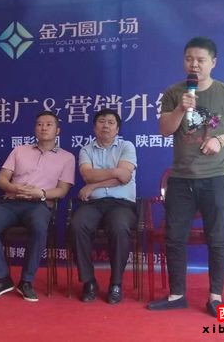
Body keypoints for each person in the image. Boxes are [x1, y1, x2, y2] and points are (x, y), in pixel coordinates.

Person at [147, 37, 224, 317]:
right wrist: (181, 108)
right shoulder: (174, 92)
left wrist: (221, 139)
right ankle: (176, 295)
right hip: (181, 178)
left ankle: (215, 297)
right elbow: (165, 130)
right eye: (189, 59)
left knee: (217, 237)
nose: (194, 64)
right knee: (174, 237)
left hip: (215, 177)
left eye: (200, 59)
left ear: (213, 62)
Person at [0, 111, 75, 302]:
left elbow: (62, 190)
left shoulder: (67, 157)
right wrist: (13, 188)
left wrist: (41, 193)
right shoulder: (19, 150)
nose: (43, 128)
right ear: (34, 129)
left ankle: (26, 281)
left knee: (39, 227)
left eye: (48, 124)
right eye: (39, 124)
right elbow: (1, 179)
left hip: (39, 205)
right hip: (11, 201)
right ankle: (3, 278)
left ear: (58, 130)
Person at [70, 109, 137, 304]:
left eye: (110, 122)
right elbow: (88, 175)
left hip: (121, 204)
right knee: (77, 225)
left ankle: (115, 283)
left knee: (119, 227)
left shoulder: (126, 146)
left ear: (117, 129)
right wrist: (115, 172)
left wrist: (94, 185)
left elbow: (125, 177)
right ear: (94, 127)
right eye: (101, 121)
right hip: (94, 204)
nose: (105, 125)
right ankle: (89, 281)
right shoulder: (86, 150)